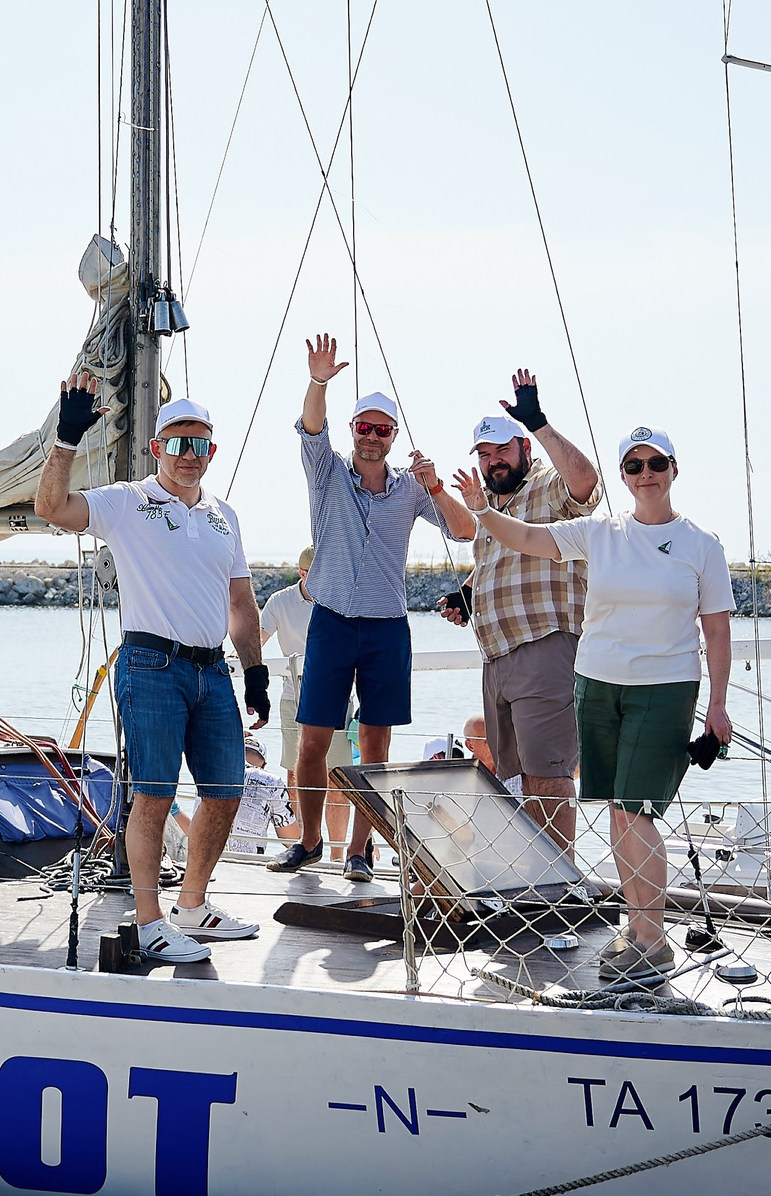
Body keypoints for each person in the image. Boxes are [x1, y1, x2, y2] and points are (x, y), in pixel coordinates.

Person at [453, 426, 733, 985]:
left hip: (665, 688)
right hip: (597, 685)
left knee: (638, 808)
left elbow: (717, 630)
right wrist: (482, 511)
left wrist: (717, 709)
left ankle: (653, 940)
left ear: (674, 470)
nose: (645, 474)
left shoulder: (703, 545)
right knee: (615, 809)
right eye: (634, 466)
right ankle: (636, 926)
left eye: (656, 463)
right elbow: (528, 538)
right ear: (625, 476)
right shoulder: (600, 532)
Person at [34, 376, 271, 966]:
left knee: (225, 792)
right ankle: (148, 923)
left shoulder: (225, 516)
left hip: (213, 670)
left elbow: (241, 602)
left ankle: (192, 907)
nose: (188, 455)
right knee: (154, 795)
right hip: (151, 664)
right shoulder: (127, 502)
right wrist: (66, 439)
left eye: (200, 446)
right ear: (155, 448)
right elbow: (52, 508)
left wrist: (257, 672)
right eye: (177, 443)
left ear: (212, 452)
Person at [272, 334, 466, 883]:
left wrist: (438, 487)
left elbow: (464, 529)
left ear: (394, 436)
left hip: (386, 629)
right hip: (331, 623)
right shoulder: (328, 473)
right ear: (354, 431)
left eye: (383, 430)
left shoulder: (410, 490)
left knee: (375, 747)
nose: (373, 437)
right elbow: (311, 428)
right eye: (365, 427)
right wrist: (318, 382)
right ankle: (311, 841)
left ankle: (360, 850)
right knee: (313, 742)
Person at [428, 373, 600, 854]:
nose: (492, 461)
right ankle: (532, 883)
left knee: (548, 776)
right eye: (483, 454)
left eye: (501, 450)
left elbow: (587, 486)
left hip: (545, 645)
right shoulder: (489, 505)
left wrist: (539, 421)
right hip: (498, 658)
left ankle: (557, 891)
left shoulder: (547, 485)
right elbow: (494, 566)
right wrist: (468, 595)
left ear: (524, 448)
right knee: (517, 782)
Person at [258, 547, 354, 859]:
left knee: (338, 777)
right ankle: (303, 847)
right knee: (295, 773)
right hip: (293, 697)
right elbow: (255, 640)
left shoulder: (346, 596)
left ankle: (338, 855)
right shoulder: (281, 601)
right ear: (303, 574)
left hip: (338, 695)